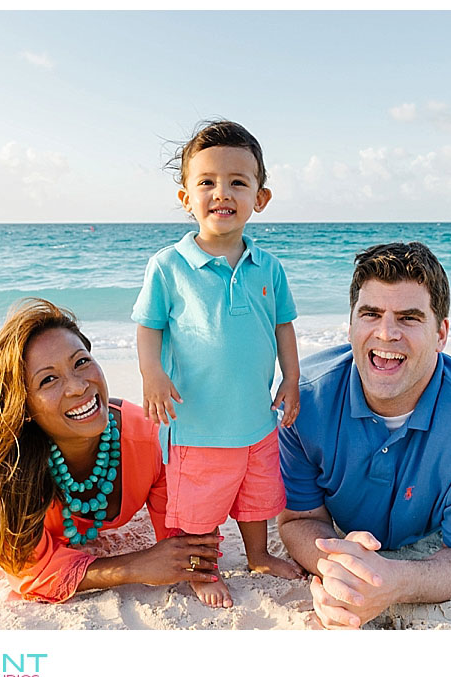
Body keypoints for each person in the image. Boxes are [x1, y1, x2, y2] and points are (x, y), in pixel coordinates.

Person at [277, 242, 451, 628]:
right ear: (350, 326)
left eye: (409, 318)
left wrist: (392, 582)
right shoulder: (302, 401)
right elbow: (298, 519)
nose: (386, 333)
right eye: (371, 314)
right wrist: (340, 571)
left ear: (441, 333)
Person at [0, 298, 223, 603]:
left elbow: (181, 534)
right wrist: (134, 566)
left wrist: (194, 564)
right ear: (24, 406)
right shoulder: (6, 473)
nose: (78, 386)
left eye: (81, 362)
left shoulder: (150, 439)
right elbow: (32, 574)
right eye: (48, 379)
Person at [131, 119, 303, 608]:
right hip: (199, 424)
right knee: (199, 509)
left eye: (237, 182)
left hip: (255, 419)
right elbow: (148, 326)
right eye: (206, 182)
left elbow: (282, 326)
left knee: (257, 498)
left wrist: (291, 379)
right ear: (185, 197)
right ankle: (202, 570)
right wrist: (153, 375)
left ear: (260, 198)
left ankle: (258, 555)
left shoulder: (268, 267)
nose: (221, 192)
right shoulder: (169, 265)